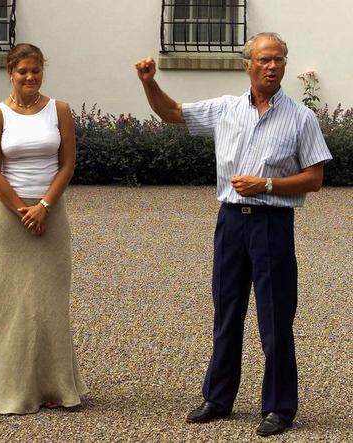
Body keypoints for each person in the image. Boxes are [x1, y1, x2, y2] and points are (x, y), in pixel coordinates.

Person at [135, 32, 332, 437]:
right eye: (264, 60)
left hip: (272, 224)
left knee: (275, 318)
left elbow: (314, 178)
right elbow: (171, 112)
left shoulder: (301, 118)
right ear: (248, 65)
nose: (272, 66)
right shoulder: (225, 109)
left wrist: (269, 186)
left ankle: (279, 407)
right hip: (230, 223)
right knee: (226, 312)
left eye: (278, 59)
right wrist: (149, 82)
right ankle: (218, 398)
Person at [0, 43, 88, 414]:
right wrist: (24, 210)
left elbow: (67, 164)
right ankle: (9, 387)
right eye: (22, 71)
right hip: (10, 217)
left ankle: (56, 386)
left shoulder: (60, 111)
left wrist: (45, 206)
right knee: (11, 302)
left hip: (51, 213)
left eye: (36, 70)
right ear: (10, 72)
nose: (30, 77)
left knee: (50, 301)